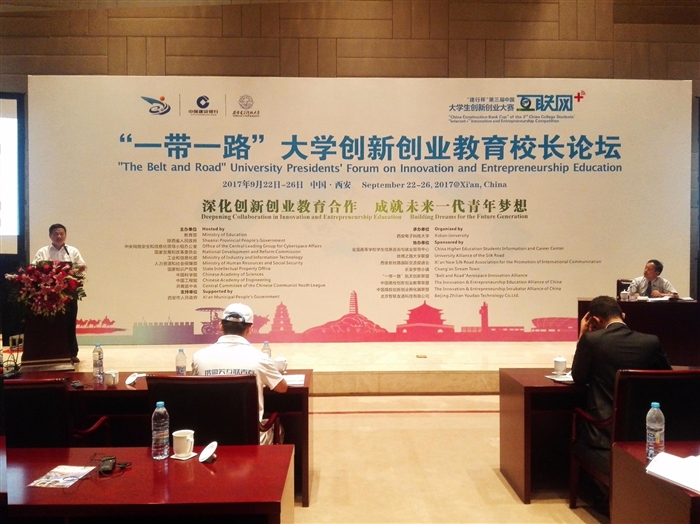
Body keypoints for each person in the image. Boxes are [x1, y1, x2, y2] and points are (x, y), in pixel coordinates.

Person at [571, 296, 671, 476]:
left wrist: (582, 336)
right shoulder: (651, 342)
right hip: (643, 433)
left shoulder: (592, 340)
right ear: (623, 315)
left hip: (602, 436)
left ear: (595, 320)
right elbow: (667, 378)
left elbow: (578, 377)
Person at [192, 302, 287, 444]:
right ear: (250, 329)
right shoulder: (260, 358)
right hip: (249, 440)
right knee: (279, 428)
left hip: (208, 439)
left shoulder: (199, 357)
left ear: (220, 326)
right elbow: (282, 388)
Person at [33, 223, 86, 363]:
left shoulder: (72, 251)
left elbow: (82, 267)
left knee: (69, 322)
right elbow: (34, 268)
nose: (59, 236)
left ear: (65, 235)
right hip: (49, 295)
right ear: (50, 236)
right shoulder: (43, 252)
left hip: (68, 294)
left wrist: (78, 270)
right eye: (56, 234)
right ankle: (50, 352)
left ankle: (71, 353)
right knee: (50, 324)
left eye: (62, 233)